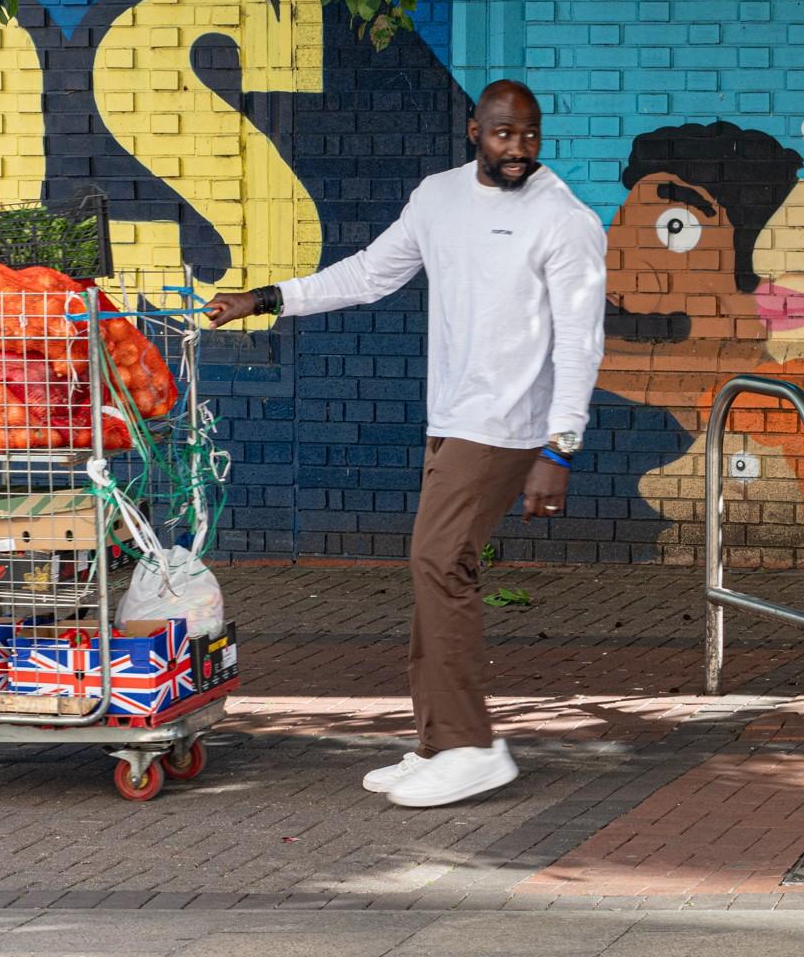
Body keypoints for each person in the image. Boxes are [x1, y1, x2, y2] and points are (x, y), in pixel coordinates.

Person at [209, 81, 606, 808]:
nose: (518, 148)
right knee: (435, 569)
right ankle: (438, 742)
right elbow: (368, 273)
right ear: (474, 131)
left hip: (507, 425)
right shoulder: (438, 198)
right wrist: (266, 299)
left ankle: (470, 746)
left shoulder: (564, 219)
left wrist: (561, 447)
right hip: (450, 417)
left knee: (438, 561)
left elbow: (582, 341)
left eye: (529, 134)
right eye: (503, 133)